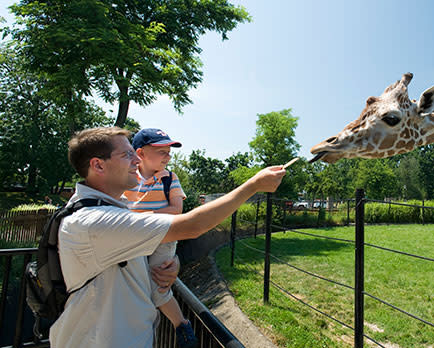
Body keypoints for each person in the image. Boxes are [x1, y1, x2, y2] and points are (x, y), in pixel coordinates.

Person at [50, 127, 285, 348]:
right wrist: (254, 185)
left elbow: (125, 261)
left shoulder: (107, 210)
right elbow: (192, 226)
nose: (135, 161)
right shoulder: (96, 221)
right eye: (127, 155)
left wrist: (173, 264)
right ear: (98, 165)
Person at [123, 128, 196, 347]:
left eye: (168, 151)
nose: (168, 156)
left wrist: (141, 217)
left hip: (163, 237)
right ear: (141, 154)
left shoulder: (170, 178)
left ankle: (181, 324)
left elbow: (176, 209)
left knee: (158, 286)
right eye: (162, 151)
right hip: (135, 240)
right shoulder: (126, 178)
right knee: (132, 283)